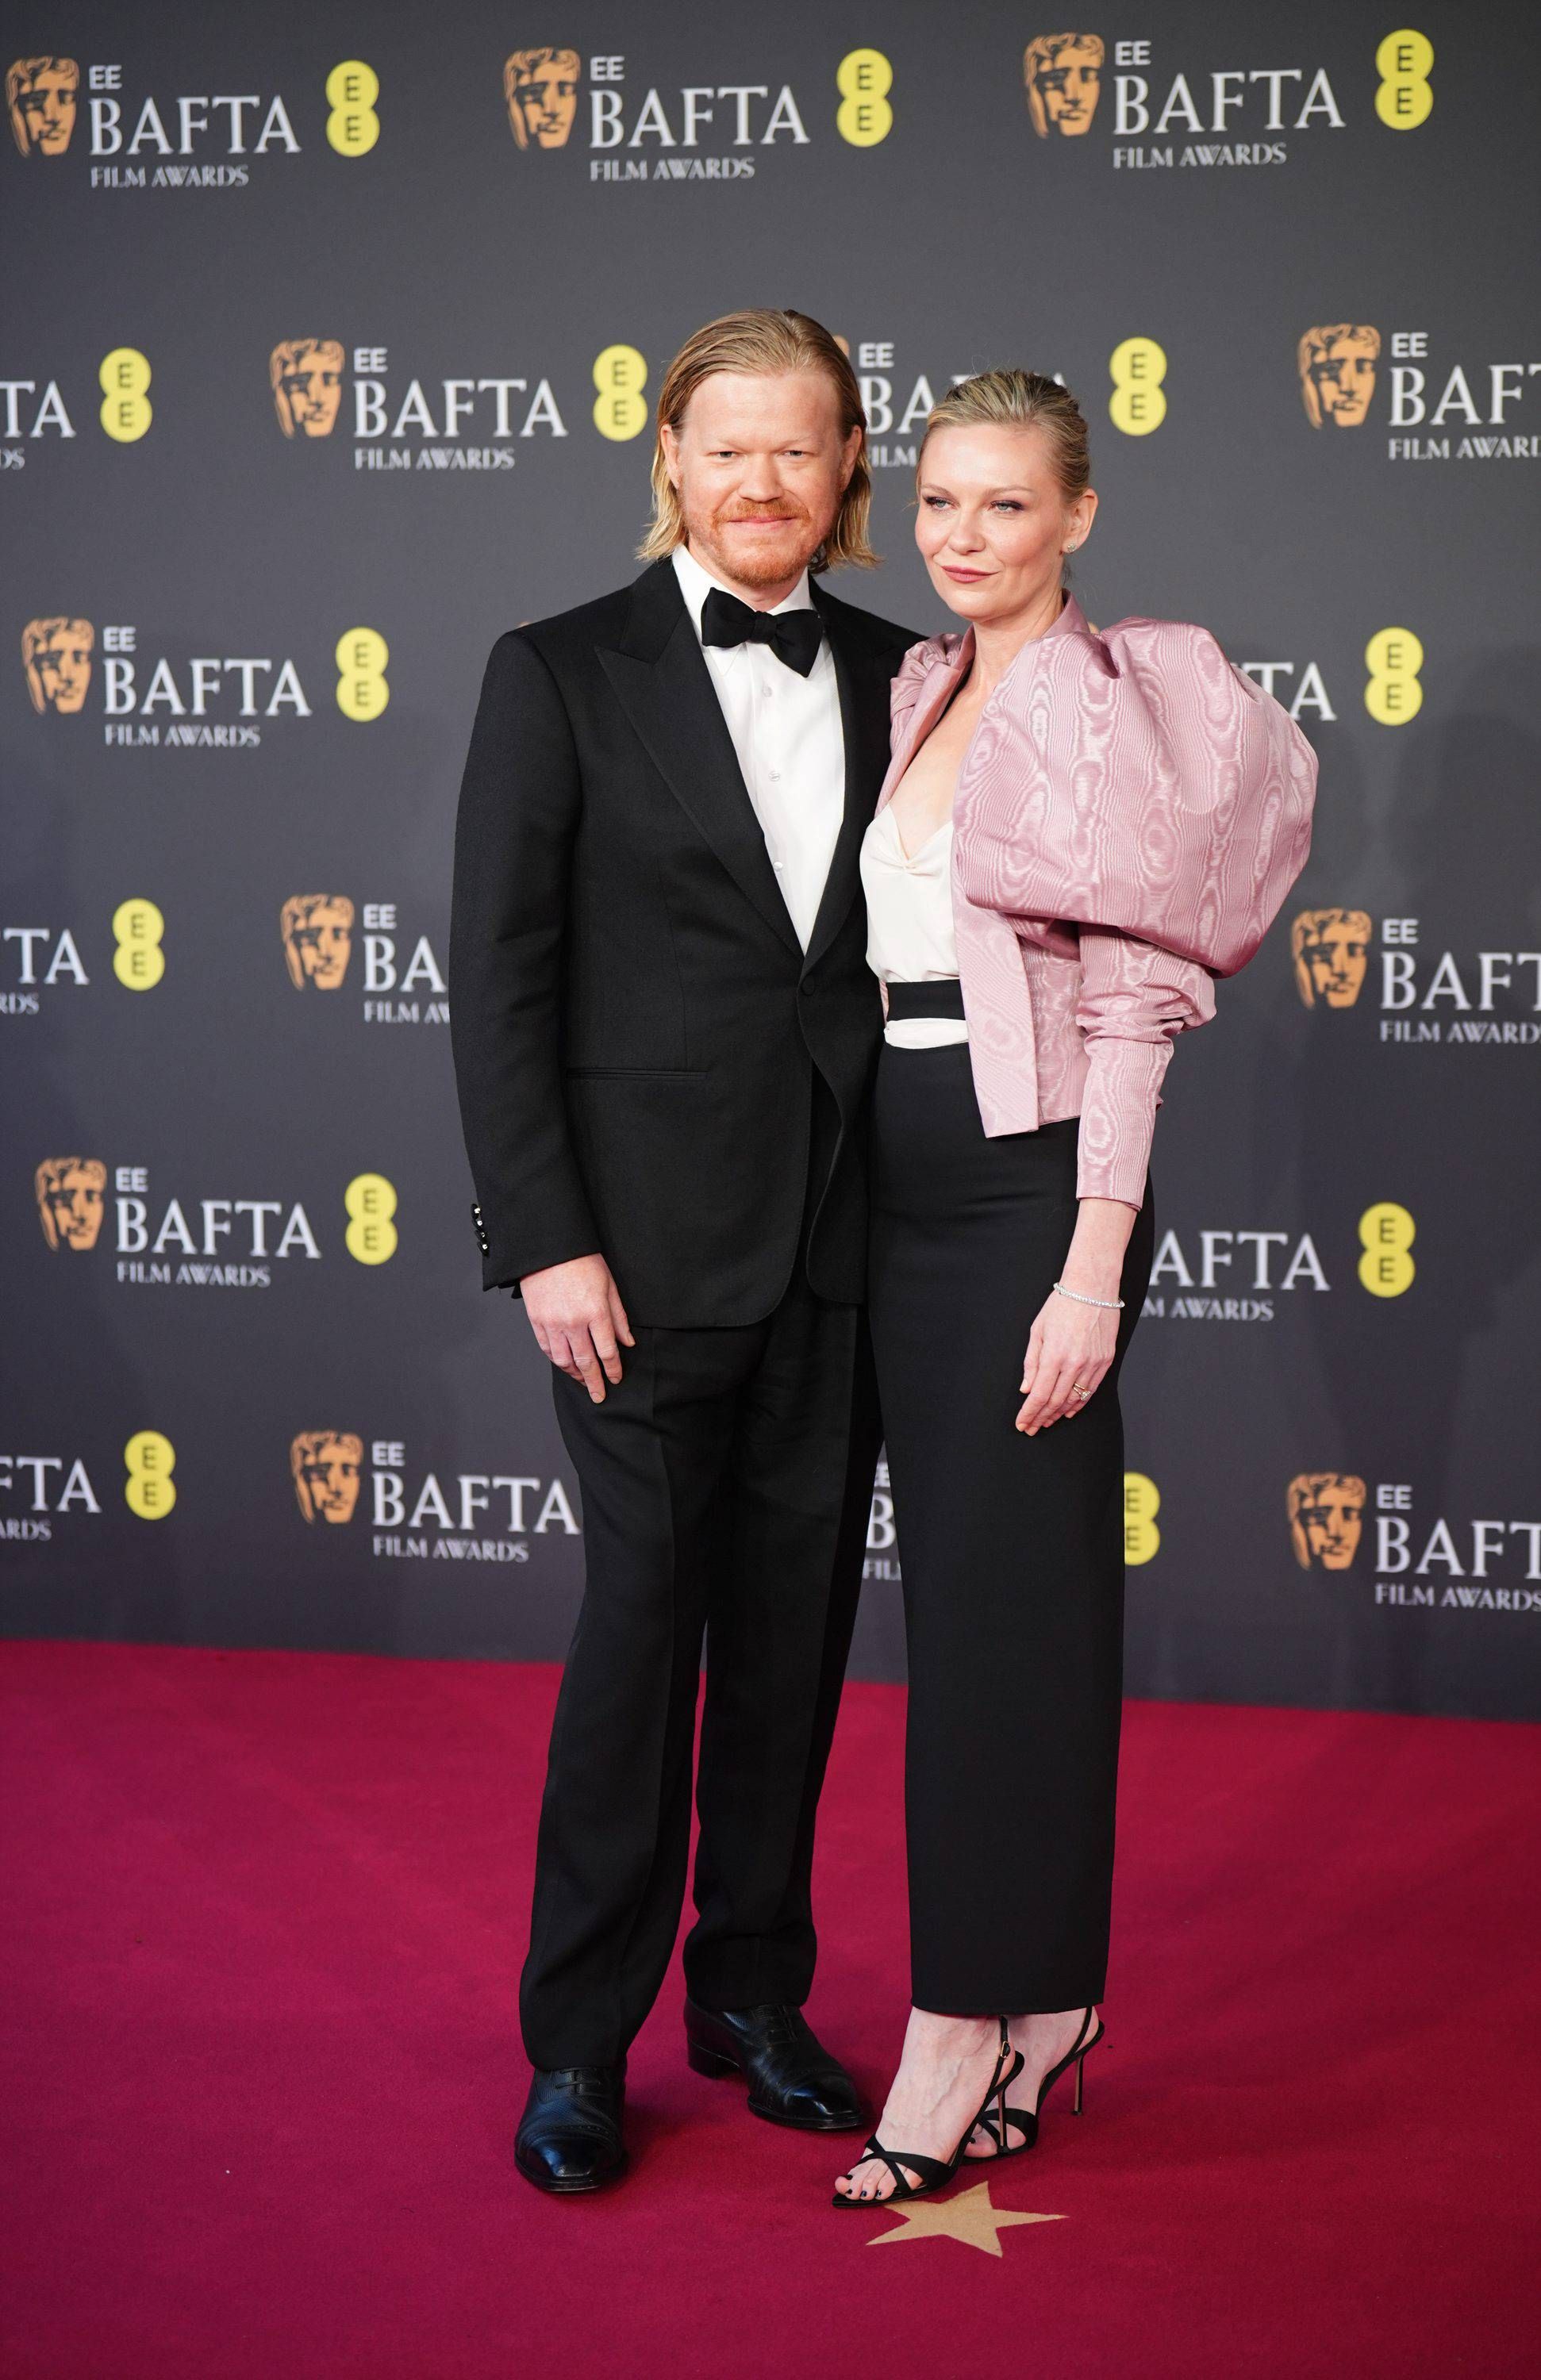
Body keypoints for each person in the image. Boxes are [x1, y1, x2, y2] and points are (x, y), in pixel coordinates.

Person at [832, 370, 1316, 2206]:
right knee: (985, 1613)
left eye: (1004, 504)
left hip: (1026, 1186)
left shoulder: (1112, 710)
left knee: (1003, 1625)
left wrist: (1089, 1269)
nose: (960, 537)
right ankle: (1047, 2001)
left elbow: (1129, 1014)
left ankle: (958, 2024)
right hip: (885, 1171)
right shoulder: (916, 684)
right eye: (936, 502)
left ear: (1077, 516)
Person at [449, 309, 920, 2194]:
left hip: (847, 1241)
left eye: (796, 447)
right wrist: (545, 1240)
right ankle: (578, 2043)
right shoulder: (559, 670)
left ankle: (749, 1997)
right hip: (633, 1261)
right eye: (725, 447)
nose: (759, 483)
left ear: (847, 466)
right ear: (668, 459)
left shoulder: (914, 675)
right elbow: (499, 981)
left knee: (792, 1642)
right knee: (642, 1636)